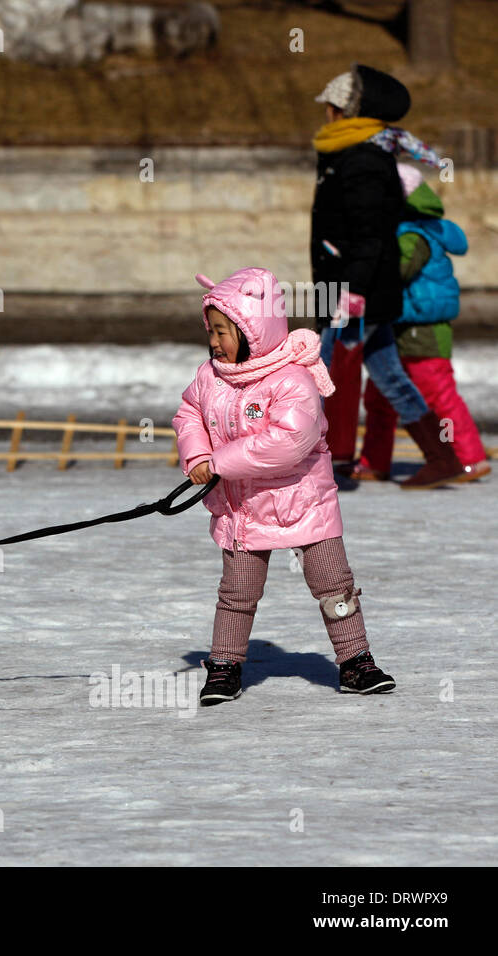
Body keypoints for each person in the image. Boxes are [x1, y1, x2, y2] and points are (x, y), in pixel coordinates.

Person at [172, 268, 394, 705]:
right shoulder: (210, 376)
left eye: (222, 331)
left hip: (304, 503)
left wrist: (219, 461)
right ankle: (224, 665)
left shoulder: (292, 380)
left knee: (334, 585)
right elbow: (188, 415)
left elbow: (288, 442)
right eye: (210, 331)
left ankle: (355, 661)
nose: (214, 341)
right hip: (244, 508)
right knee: (237, 593)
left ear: (253, 330)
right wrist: (196, 455)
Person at [310, 63, 464, 488]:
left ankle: (329, 463)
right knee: (388, 374)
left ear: (348, 113)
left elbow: (370, 235)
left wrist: (352, 290)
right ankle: (440, 456)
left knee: (325, 370)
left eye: (332, 108)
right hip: (349, 285)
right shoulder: (348, 152)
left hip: (355, 289)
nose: (326, 115)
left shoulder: (363, 159)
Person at [351, 163, 490, 482]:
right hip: (396, 327)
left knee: (438, 396)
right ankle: (375, 461)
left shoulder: (412, 235)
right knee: (380, 396)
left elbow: (395, 273)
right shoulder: (401, 231)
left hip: (422, 330)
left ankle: (469, 457)